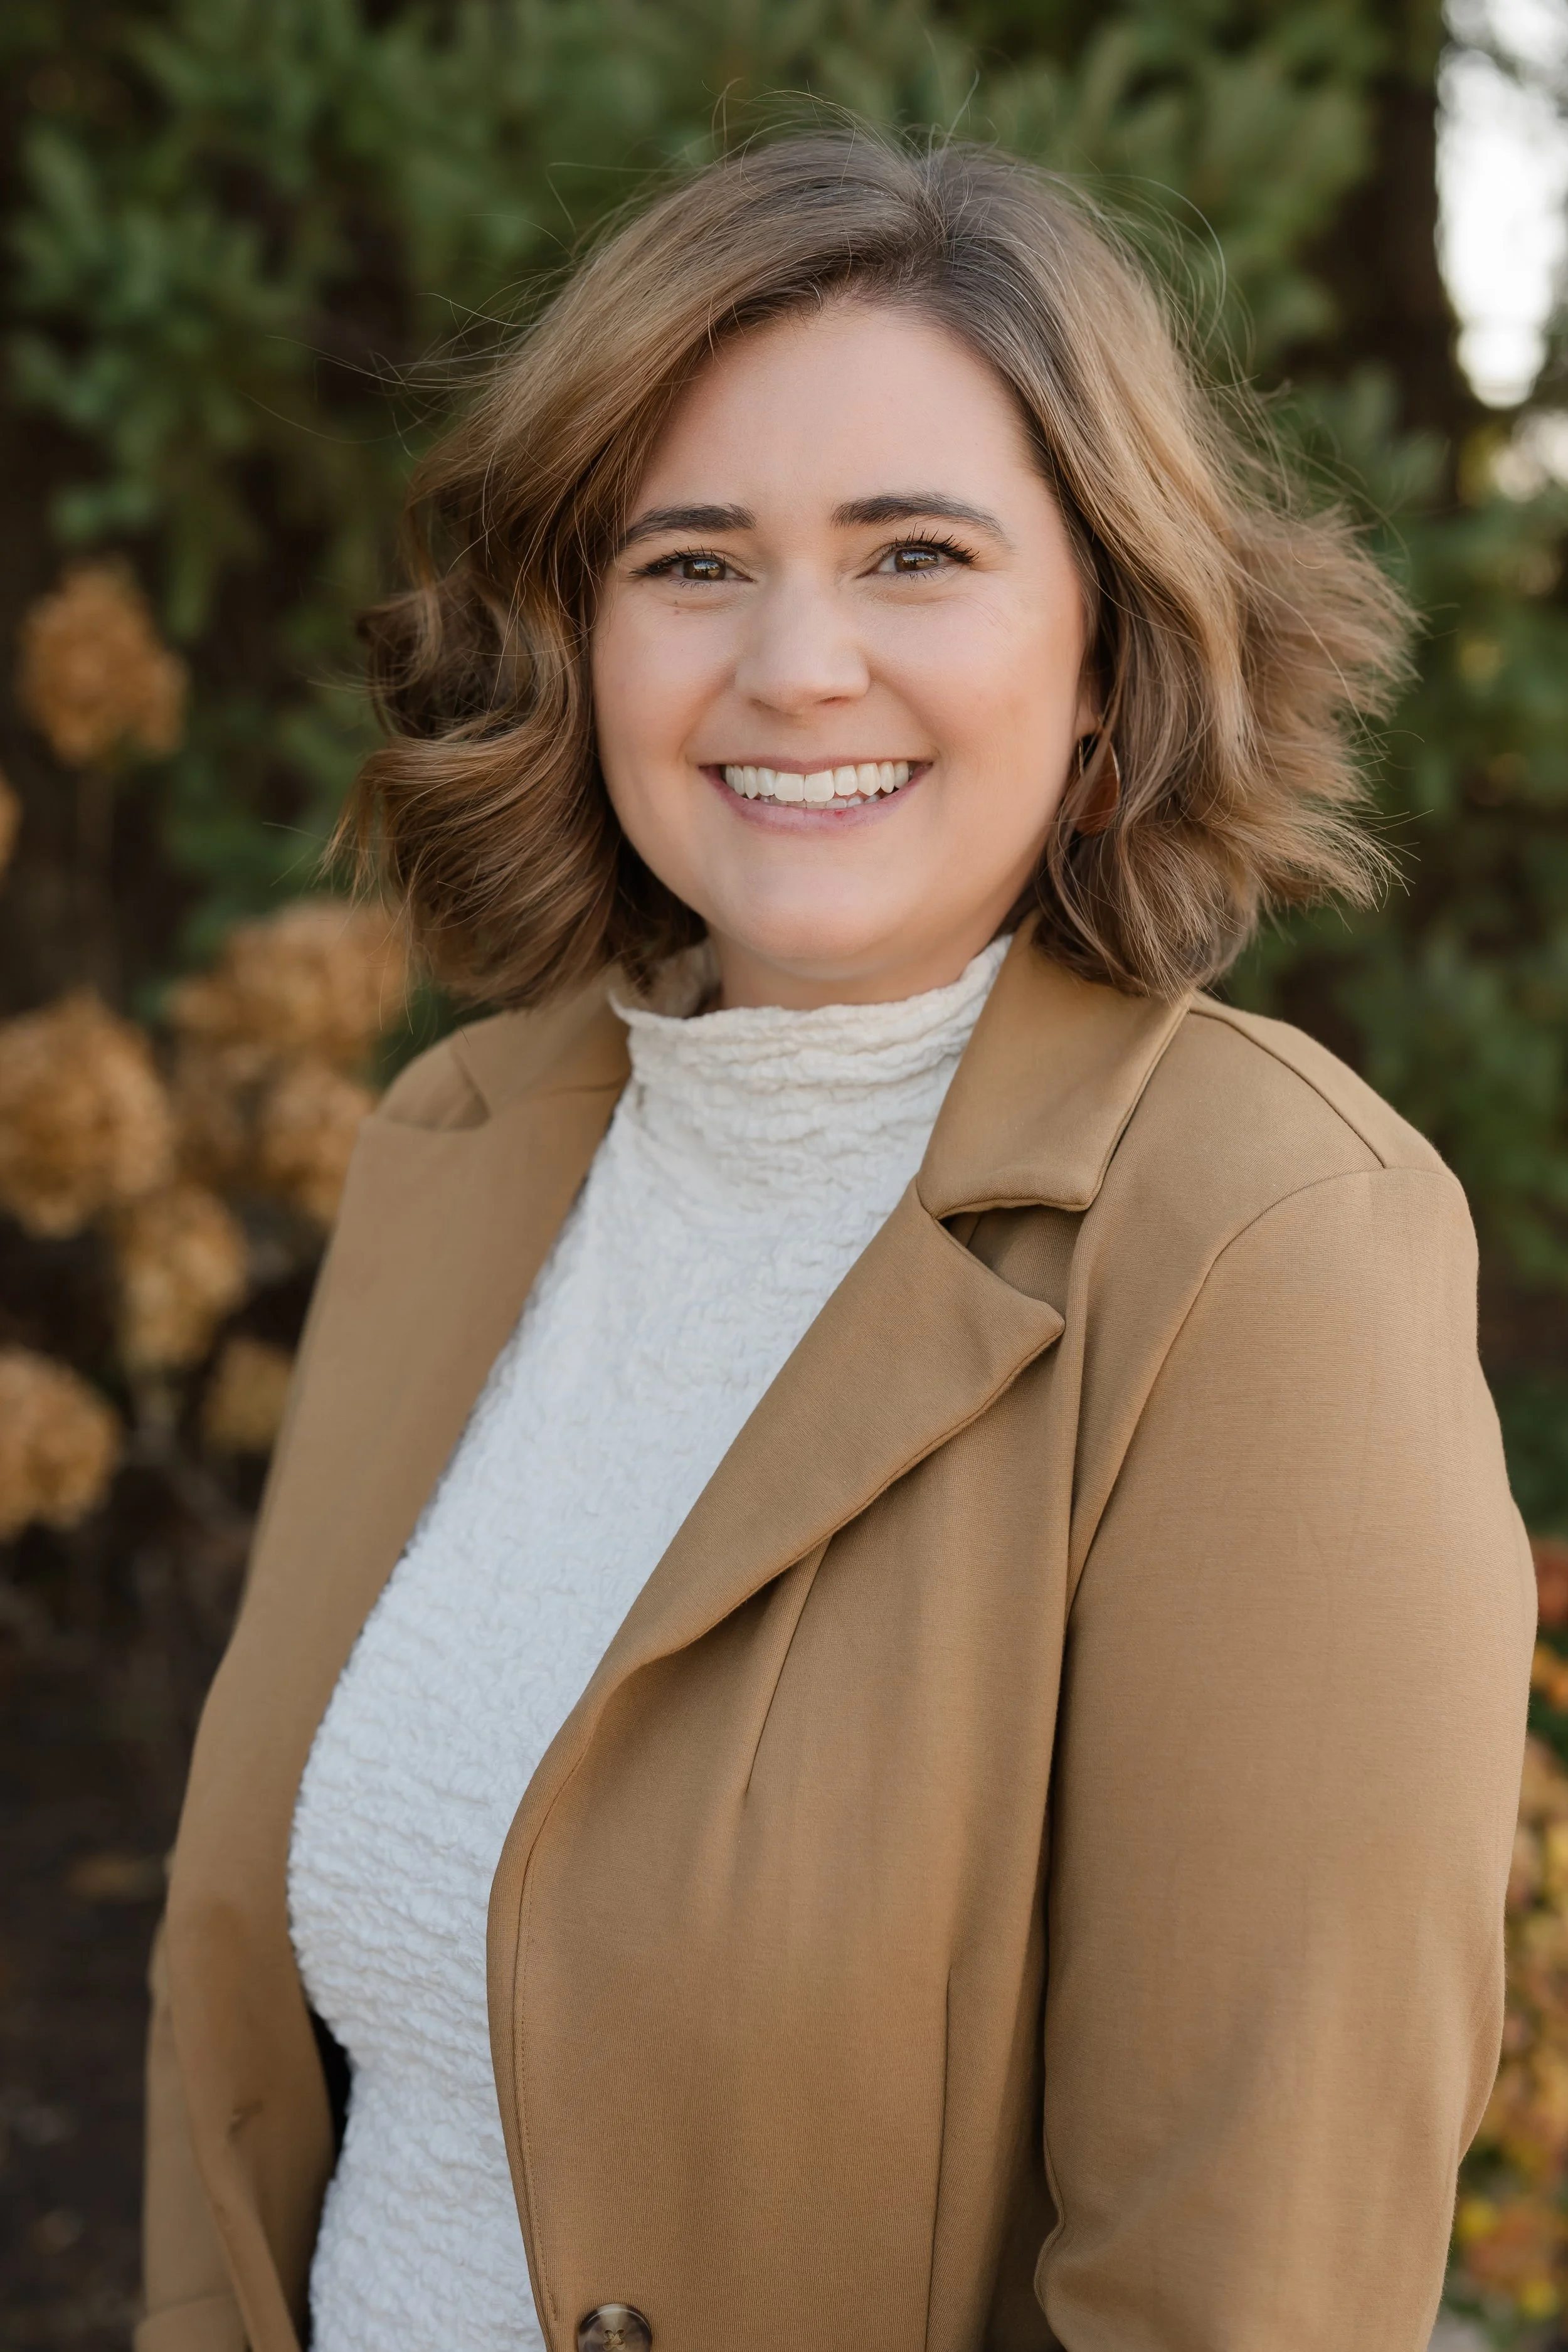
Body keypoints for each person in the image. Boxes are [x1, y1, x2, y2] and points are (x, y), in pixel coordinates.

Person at [138, 131, 1534, 2352]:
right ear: (582, 634)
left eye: (914, 555)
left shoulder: (1268, 1249)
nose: (794, 666)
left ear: (1105, 650)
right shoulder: (458, 1144)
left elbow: (1232, 2296)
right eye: (692, 560)